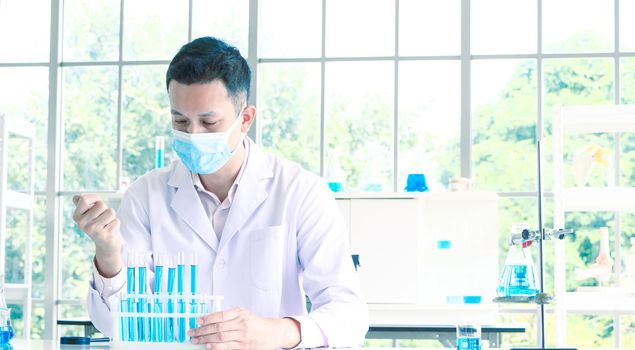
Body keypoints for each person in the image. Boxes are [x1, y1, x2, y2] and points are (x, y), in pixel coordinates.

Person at [72, 36, 368, 349]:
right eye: (180, 120)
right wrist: (108, 252)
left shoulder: (300, 191)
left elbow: (349, 315)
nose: (193, 134)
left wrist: (275, 332)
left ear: (245, 119)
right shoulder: (146, 195)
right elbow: (115, 323)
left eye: (209, 122)